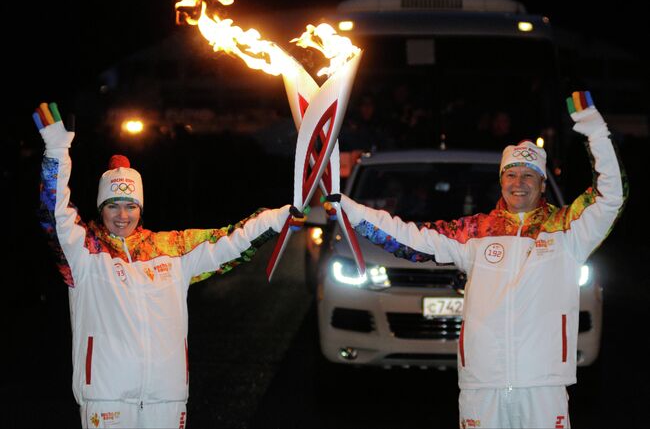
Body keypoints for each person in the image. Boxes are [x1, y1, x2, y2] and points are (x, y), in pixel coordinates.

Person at [328, 91, 627, 428]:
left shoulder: (568, 229)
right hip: (482, 385)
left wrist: (593, 129)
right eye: (511, 174)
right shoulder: (475, 231)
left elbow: (611, 196)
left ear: (542, 184)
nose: (519, 183)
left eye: (529, 175)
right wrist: (349, 211)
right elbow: (409, 237)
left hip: (543, 384)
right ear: (501, 181)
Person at [34, 102, 300, 428]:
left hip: (168, 397)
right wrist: (58, 151)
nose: (122, 215)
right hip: (107, 396)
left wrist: (276, 218)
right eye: (113, 205)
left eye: (130, 205)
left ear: (140, 208)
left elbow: (230, 241)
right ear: (101, 209)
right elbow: (54, 215)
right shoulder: (86, 253)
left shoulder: (170, 250)